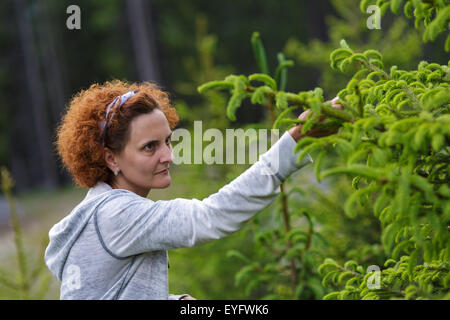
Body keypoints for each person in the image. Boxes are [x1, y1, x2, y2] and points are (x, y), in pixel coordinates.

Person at [44, 80, 342, 300]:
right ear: (111, 158)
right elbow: (211, 216)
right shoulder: (115, 214)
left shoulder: (97, 212)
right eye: (150, 147)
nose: (168, 156)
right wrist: (296, 141)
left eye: (167, 141)